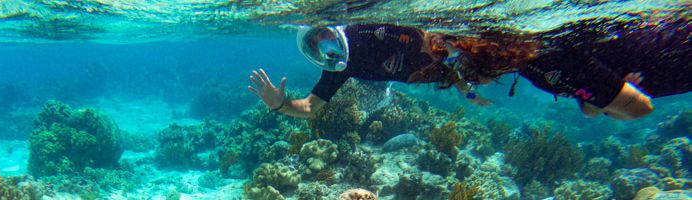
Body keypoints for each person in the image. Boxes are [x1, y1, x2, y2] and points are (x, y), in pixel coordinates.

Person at [247, 15, 690, 120]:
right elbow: (313, 107)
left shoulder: (546, 61)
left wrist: (612, 92)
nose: (327, 51)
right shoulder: (535, 70)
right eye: (317, 49)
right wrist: (279, 104)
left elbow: (635, 109)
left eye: (326, 37)